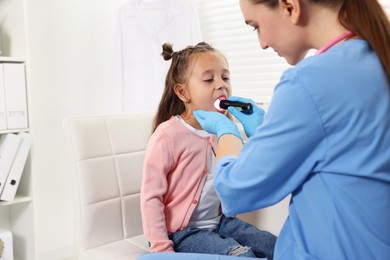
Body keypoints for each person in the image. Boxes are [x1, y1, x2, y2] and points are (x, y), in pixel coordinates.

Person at [193, 0, 390, 259]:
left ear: (290, 6)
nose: (262, 42)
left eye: (256, 27)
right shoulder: (377, 59)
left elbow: (235, 191)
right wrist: (264, 130)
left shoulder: (310, 82)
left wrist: (226, 131)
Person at [140, 41, 277, 258]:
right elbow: (151, 197)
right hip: (183, 233)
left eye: (225, 77)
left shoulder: (224, 132)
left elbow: (246, 176)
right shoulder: (167, 135)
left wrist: (258, 134)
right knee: (242, 256)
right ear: (183, 92)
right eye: (208, 79)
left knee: (278, 247)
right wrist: (161, 249)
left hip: (222, 223)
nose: (221, 85)